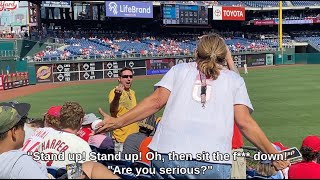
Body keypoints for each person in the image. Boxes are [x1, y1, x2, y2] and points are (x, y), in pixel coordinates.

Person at [95, 34, 289, 179]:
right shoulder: (234, 79)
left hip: (168, 156)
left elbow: (155, 102)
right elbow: (245, 123)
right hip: (212, 161)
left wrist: (118, 121)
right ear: (224, 55)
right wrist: (273, 153)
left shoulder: (178, 70)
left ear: (196, 53)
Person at [0, 102, 120, 179]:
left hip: (56, 173)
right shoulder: (20, 162)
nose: (25, 129)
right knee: (93, 167)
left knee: (88, 166)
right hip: (58, 174)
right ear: (13, 131)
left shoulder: (45, 134)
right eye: (22, 125)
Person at [35, 102, 93, 168]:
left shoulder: (45, 138)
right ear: (81, 121)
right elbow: (90, 171)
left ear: (60, 119)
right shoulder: (81, 144)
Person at [108, 67, 139, 155]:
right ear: (119, 79)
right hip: (122, 139)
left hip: (134, 137)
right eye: (125, 76)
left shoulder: (132, 92)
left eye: (131, 76)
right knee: (122, 166)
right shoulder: (114, 92)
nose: (129, 79)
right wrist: (117, 96)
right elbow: (113, 109)